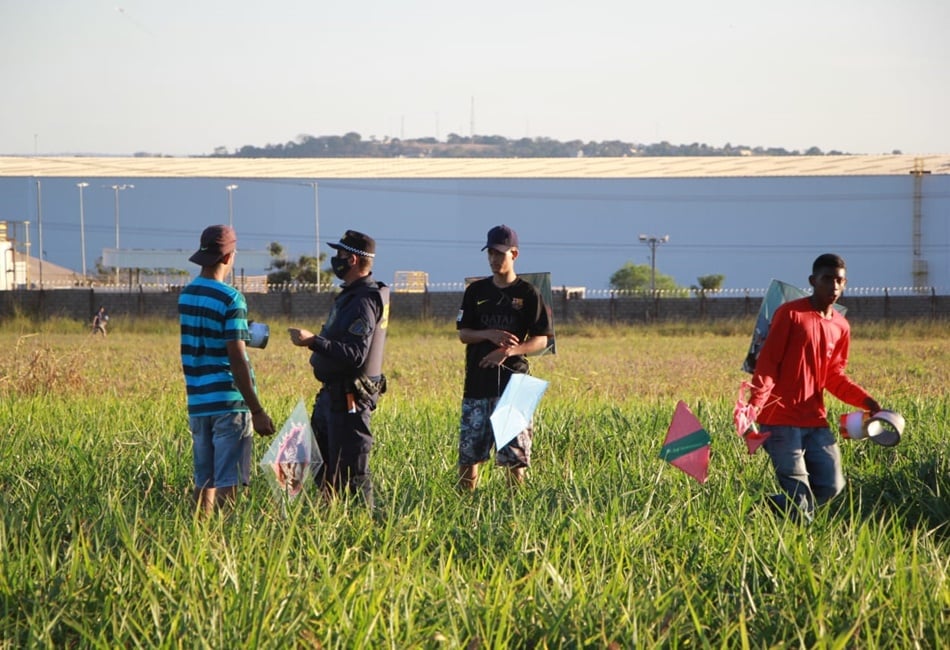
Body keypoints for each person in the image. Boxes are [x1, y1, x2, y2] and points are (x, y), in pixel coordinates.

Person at [748, 253, 882, 522]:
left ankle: (765, 508)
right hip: (779, 421)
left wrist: (867, 402)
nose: (834, 286)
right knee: (799, 499)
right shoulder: (791, 314)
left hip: (815, 421)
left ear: (845, 284)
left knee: (832, 486)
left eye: (839, 280)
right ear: (813, 281)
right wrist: (753, 407)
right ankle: (802, 553)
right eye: (827, 279)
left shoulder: (841, 326)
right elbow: (768, 363)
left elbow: (834, 376)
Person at [179, 225, 275, 515]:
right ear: (228, 257)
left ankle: (198, 539)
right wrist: (256, 410)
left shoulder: (187, 295)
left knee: (203, 480)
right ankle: (224, 541)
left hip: (198, 402)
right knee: (228, 482)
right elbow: (236, 357)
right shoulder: (231, 298)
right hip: (228, 404)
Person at [288, 230, 389, 509]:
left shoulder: (364, 300)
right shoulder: (352, 295)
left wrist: (313, 341)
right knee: (322, 467)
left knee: (352, 473)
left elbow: (356, 355)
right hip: (332, 397)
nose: (336, 260)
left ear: (353, 259)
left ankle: (362, 528)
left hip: (350, 400)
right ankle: (327, 519)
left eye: (340, 255)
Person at [456, 225, 553, 491]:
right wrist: (490, 335)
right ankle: (465, 509)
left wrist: (508, 351)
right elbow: (464, 334)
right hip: (477, 382)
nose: (494, 259)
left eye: (500, 253)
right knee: (469, 455)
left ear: (514, 254)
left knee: (514, 458)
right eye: (490, 253)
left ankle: (514, 513)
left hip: (516, 385)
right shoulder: (475, 292)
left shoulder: (529, 293)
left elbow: (542, 339)